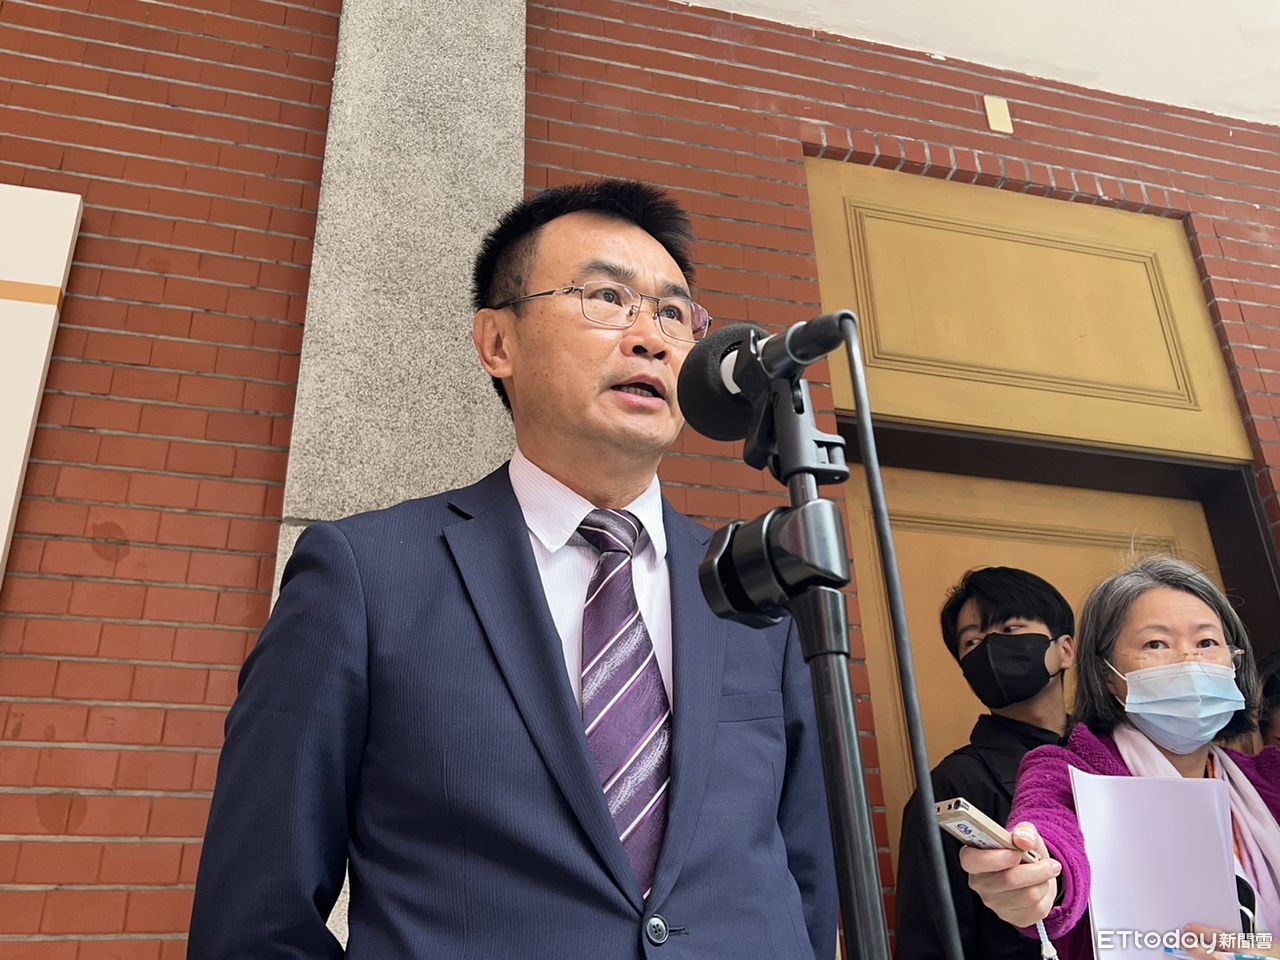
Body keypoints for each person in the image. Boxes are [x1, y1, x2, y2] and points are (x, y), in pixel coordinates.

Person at [187, 179, 838, 959]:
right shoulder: (365, 577)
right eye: (606, 297)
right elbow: (256, 921)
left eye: (673, 313)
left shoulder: (754, 585)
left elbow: (809, 879)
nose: (652, 338)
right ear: (498, 341)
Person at [960, 555, 1280, 960]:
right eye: (1156, 644)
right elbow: (1051, 836)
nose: (1189, 660)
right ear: (1107, 674)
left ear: (1234, 663)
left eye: (1206, 643)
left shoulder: (1270, 778)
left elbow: (1250, 946)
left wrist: (1257, 950)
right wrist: (1037, 880)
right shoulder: (1067, 773)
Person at [895, 567, 1076, 960]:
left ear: (1065, 650)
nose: (991, 648)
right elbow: (929, 943)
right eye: (972, 641)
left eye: (1010, 629)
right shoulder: (952, 785)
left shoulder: (1114, 752)